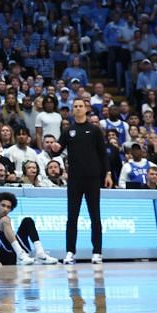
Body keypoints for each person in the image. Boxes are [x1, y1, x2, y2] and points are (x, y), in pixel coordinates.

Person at [60, 97, 109, 265]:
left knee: (95, 215)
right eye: (76, 106)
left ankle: (97, 252)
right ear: (72, 110)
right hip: (74, 180)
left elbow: (103, 154)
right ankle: (70, 252)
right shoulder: (68, 131)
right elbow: (57, 150)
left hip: (93, 179)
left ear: (86, 109)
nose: (78, 109)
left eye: (81, 106)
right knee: (71, 217)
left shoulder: (94, 130)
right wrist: (52, 149)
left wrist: (107, 174)